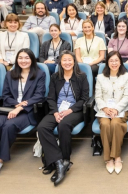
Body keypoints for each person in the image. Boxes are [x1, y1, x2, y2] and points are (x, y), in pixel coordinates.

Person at [0, 49, 46, 180]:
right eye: (20, 58)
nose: (23, 60)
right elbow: (5, 95)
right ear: (17, 60)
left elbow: (39, 95)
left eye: (27, 58)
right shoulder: (10, 74)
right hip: (9, 108)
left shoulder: (39, 74)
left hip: (28, 111)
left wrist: (21, 107)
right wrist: (16, 105)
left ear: (32, 59)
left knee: (9, 126)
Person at [37, 50, 89, 186]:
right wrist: (54, 112)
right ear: (60, 62)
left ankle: (66, 158)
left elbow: (84, 98)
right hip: (57, 110)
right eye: (64, 60)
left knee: (63, 125)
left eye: (69, 60)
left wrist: (69, 110)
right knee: (42, 127)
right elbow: (51, 98)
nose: (67, 63)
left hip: (74, 110)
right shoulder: (55, 77)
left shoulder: (81, 77)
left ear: (74, 61)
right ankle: (60, 162)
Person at [95, 51, 128, 174]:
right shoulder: (100, 77)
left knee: (115, 123)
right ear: (107, 62)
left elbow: (127, 96)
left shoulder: (126, 76)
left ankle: (116, 156)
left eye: (116, 60)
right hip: (104, 110)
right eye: (111, 61)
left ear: (120, 61)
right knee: (105, 124)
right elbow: (98, 97)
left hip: (121, 110)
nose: (114, 63)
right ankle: (108, 158)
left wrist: (116, 109)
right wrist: (105, 108)